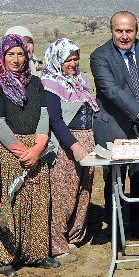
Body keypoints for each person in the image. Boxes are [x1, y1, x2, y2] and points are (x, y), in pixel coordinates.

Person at [0, 34, 61, 270]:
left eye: (20, 53)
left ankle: (37, 253)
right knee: (11, 200)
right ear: (3, 56)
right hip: (11, 149)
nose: (16, 59)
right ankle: (7, 256)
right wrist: (21, 151)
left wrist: (38, 148)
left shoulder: (35, 82)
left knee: (38, 201)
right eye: (11, 54)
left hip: (36, 147)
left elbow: (43, 114)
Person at [89, 11, 139, 232]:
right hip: (114, 125)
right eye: (119, 31)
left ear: (136, 30)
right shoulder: (99, 56)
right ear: (111, 30)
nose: (124, 36)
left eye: (129, 31)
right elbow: (111, 90)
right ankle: (117, 228)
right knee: (115, 180)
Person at [41, 38, 98, 262]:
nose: (73, 63)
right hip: (66, 143)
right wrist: (74, 145)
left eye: (76, 58)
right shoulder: (50, 82)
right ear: (57, 60)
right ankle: (57, 244)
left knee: (83, 191)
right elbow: (55, 119)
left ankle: (73, 236)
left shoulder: (80, 81)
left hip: (87, 140)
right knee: (63, 194)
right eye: (68, 59)